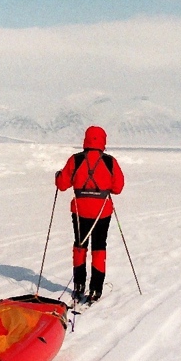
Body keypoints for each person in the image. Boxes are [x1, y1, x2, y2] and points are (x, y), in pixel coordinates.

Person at [55, 126, 124, 303]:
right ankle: (96, 289)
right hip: (102, 212)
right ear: (103, 141)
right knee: (99, 248)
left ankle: (79, 285)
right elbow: (118, 188)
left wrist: (58, 176)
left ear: (86, 139)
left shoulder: (76, 160)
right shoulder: (110, 162)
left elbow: (62, 185)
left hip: (80, 211)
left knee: (80, 246)